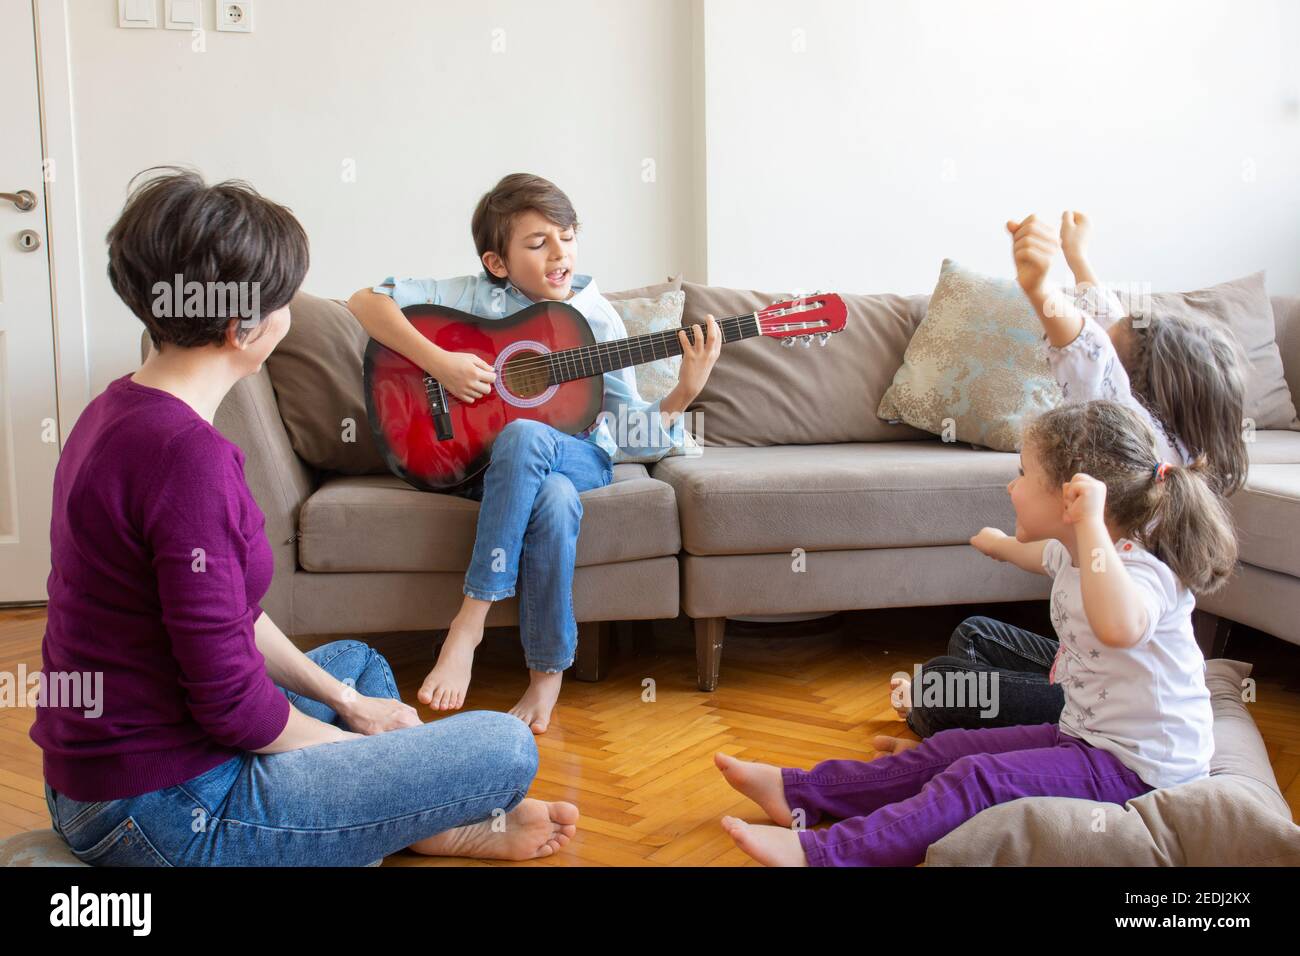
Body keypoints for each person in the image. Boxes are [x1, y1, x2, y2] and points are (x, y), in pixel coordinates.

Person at [32, 168, 576, 866]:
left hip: (101, 781)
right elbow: (235, 709)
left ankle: (402, 822)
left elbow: (227, 613)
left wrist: (352, 707)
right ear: (244, 325)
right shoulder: (189, 460)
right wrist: (378, 754)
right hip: (165, 811)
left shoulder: (116, 409)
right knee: (504, 749)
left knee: (357, 668)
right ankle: (404, 817)